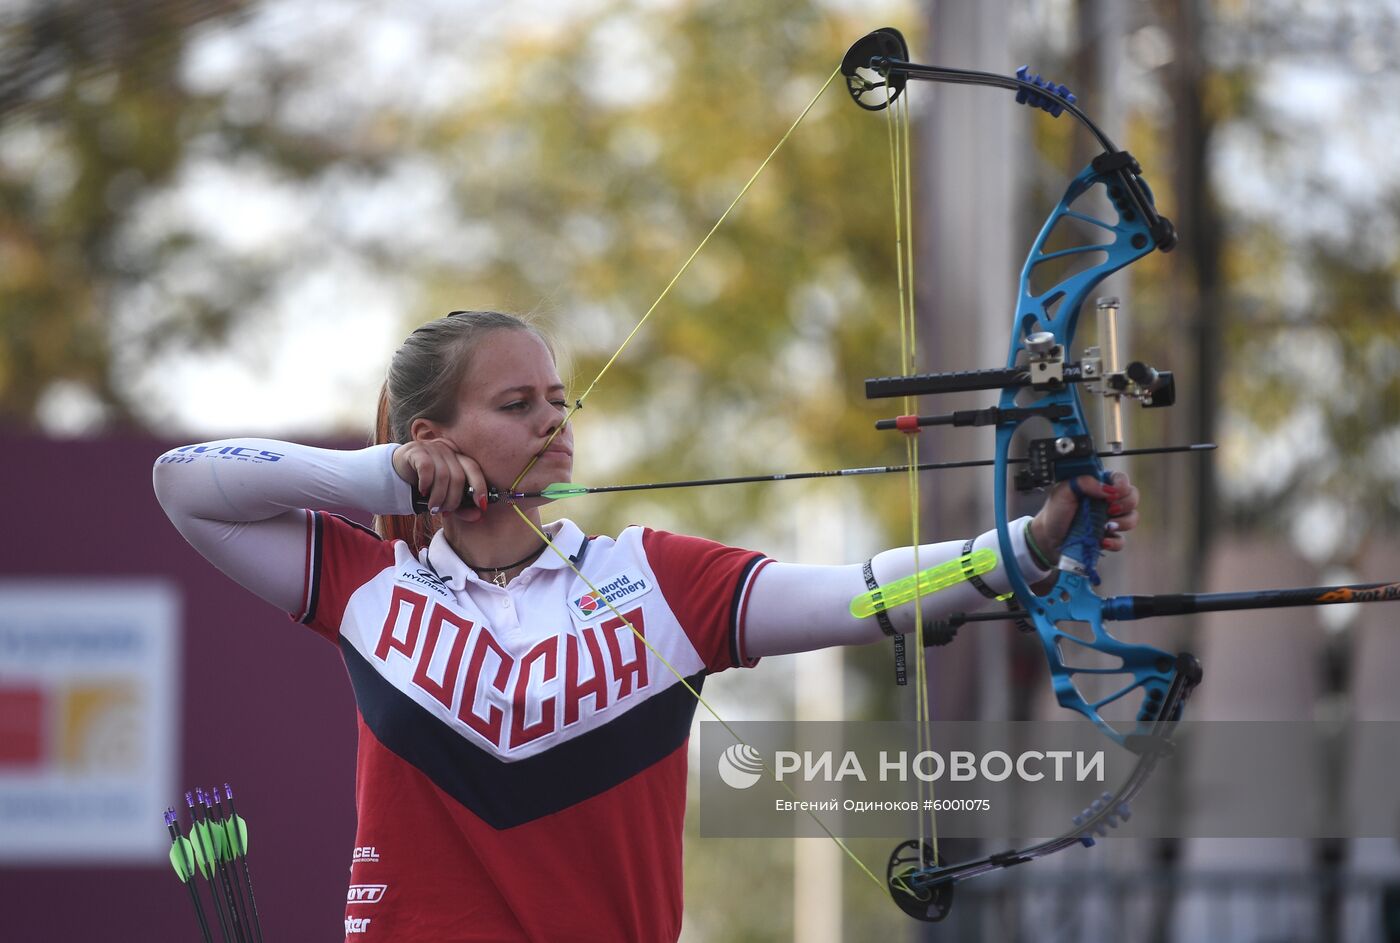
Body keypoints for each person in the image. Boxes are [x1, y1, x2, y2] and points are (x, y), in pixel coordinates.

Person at [153, 309, 1138, 943]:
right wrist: (379, 477)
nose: (553, 421)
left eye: (558, 400)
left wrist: (1030, 543)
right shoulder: (372, 587)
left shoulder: (654, 579)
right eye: (516, 404)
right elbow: (186, 485)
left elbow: (863, 591)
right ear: (431, 437)